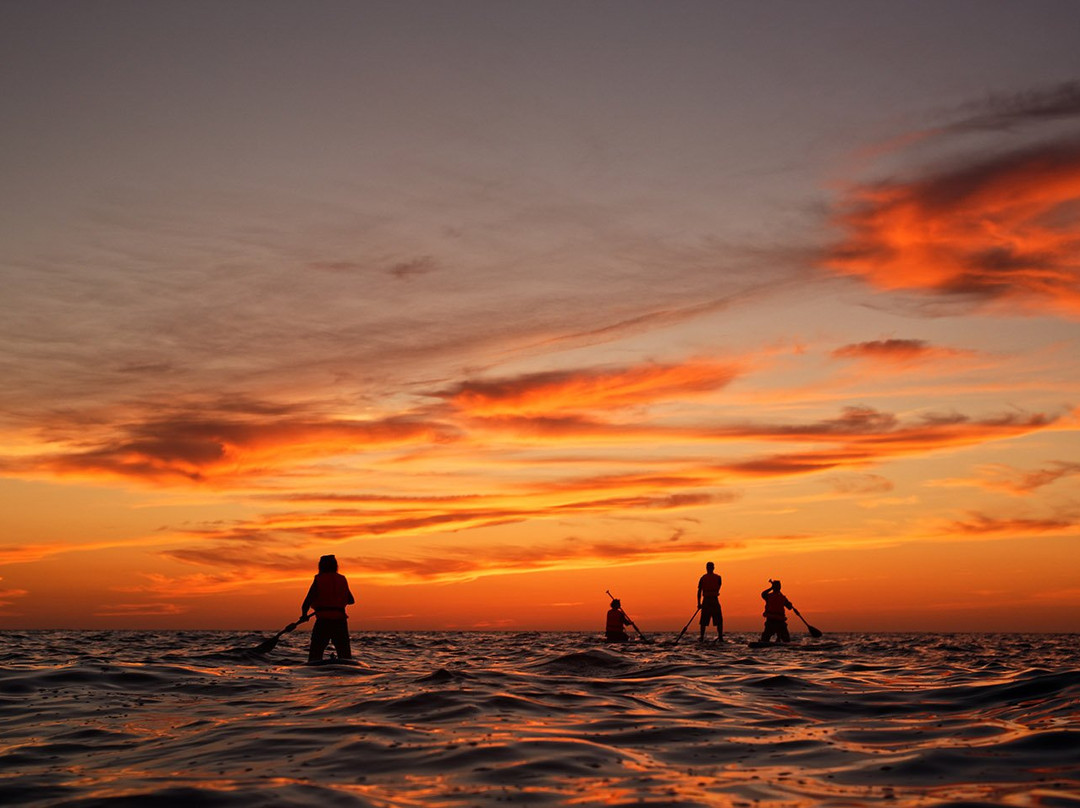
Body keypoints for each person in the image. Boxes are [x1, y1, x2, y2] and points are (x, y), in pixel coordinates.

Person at [301, 554, 356, 661]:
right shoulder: (342, 579)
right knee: (345, 655)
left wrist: (304, 615)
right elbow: (351, 600)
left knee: (315, 655)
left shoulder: (319, 579)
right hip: (340, 621)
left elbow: (307, 602)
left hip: (323, 621)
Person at [760, 579, 794, 644]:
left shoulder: (782, 598)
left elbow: (789, 607)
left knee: (785, 640)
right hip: (772, 621)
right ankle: (777, 639)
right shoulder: (770, 596)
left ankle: (778, 639)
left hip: (779, 622)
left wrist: (790, 604)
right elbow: (763, 594)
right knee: (765, 639)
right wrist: (771, 588)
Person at [697, 561, 723, 642]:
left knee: (717, 620)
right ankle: (719, 637)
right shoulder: (716, 577)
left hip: (710, 600)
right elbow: (699, 591)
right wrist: (699, 603)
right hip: (711, 600)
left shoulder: (705, 578)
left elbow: (699, 591)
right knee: (707, 621)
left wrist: (699, 603)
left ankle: (703, 637)